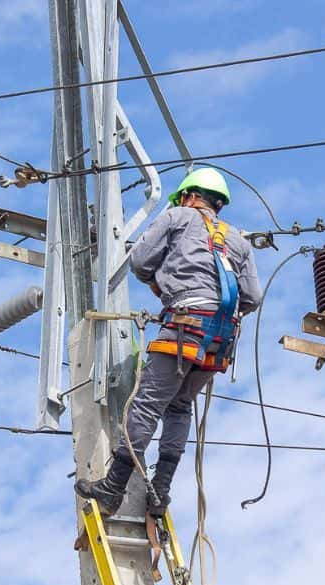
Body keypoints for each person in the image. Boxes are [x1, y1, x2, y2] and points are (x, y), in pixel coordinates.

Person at [74, 168, 262, 516]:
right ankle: (160, 492)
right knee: (179, 406)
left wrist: (165, 287)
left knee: (146, 404)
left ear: (189, 196)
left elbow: (141, 261)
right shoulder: (238, 240)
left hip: (186, 326)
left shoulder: (177, 216)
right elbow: (252, 296)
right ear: (218, 204)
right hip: (220, 340)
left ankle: (113, 488)